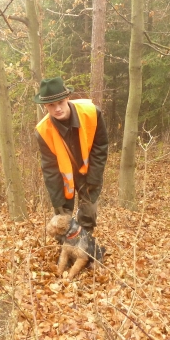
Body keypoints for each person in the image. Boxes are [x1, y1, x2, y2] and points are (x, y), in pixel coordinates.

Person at [34, 77, 108, 232]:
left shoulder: (92, 113)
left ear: (67, 98)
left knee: (89, 214)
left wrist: (94, 178)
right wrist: (57, 200)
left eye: (60, 102)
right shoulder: (43, 131)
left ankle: (85, 248)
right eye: (51, 105)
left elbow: (100, 147)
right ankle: (67, 249)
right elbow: (49, 168)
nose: (57, 109)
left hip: (89, 171)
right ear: (45, 106)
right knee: (62, 219)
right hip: (63, 179)